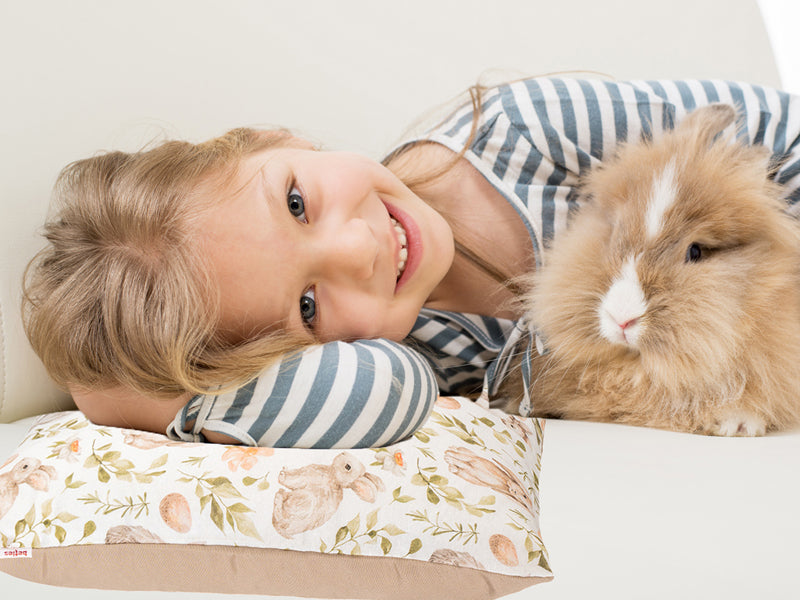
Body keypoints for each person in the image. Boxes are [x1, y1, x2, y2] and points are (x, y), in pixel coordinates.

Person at [22, 77, 800, 448]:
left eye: (296, 202)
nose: (359, 247)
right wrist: (167, 396)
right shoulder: (404, 359)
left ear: (274, 138)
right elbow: (113, 392)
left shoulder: (521, 130)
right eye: (307, 306)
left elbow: (775, 135)